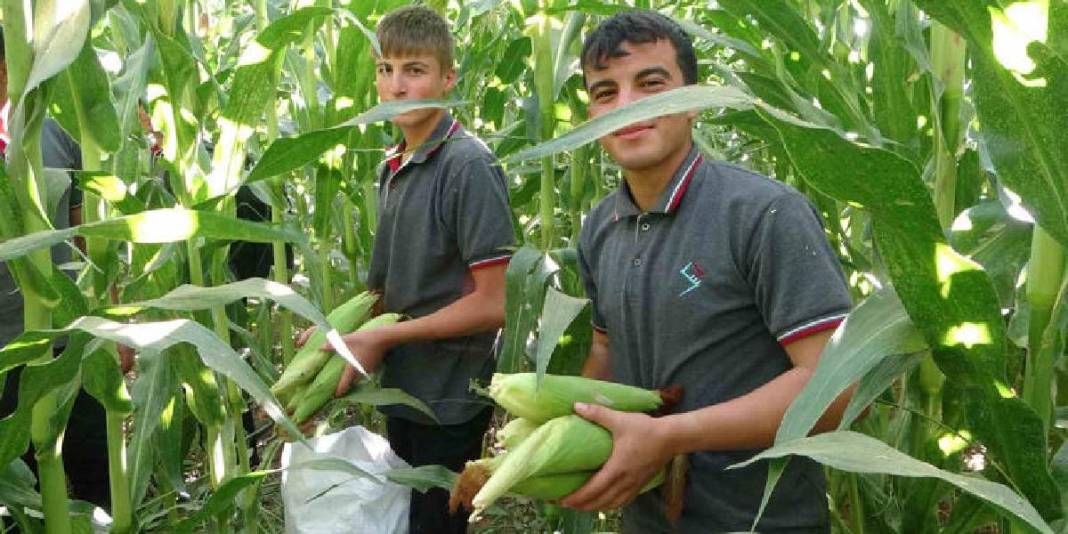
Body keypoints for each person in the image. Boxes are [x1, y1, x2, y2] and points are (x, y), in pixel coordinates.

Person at [559, 11, 853, 533]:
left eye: (651, 84)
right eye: (605, 92)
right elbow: (605, 351)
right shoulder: (600, 227)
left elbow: (836, 389)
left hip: (761, 520)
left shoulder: (763, 214)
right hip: (647, 519)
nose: (627, 105)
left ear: (694, 100)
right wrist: (555, 437)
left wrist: (673, 436)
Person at [312, 6, 514, 533]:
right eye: (385, 69)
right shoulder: (395, 163)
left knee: (434, 524)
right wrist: (337, 335)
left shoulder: (467, 166)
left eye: (414, 70)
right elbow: (391, 287)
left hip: (448, 396)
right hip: (404, 385)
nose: (396, 86)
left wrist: (384, 338)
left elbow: (495, 302)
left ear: (448, 79)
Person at [0, 26, 114, 510]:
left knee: (98, 477)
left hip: (72, 344)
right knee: (15, 495)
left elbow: (88, 238)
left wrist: (110, 324)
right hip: (4, 355)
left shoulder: (57, 128)